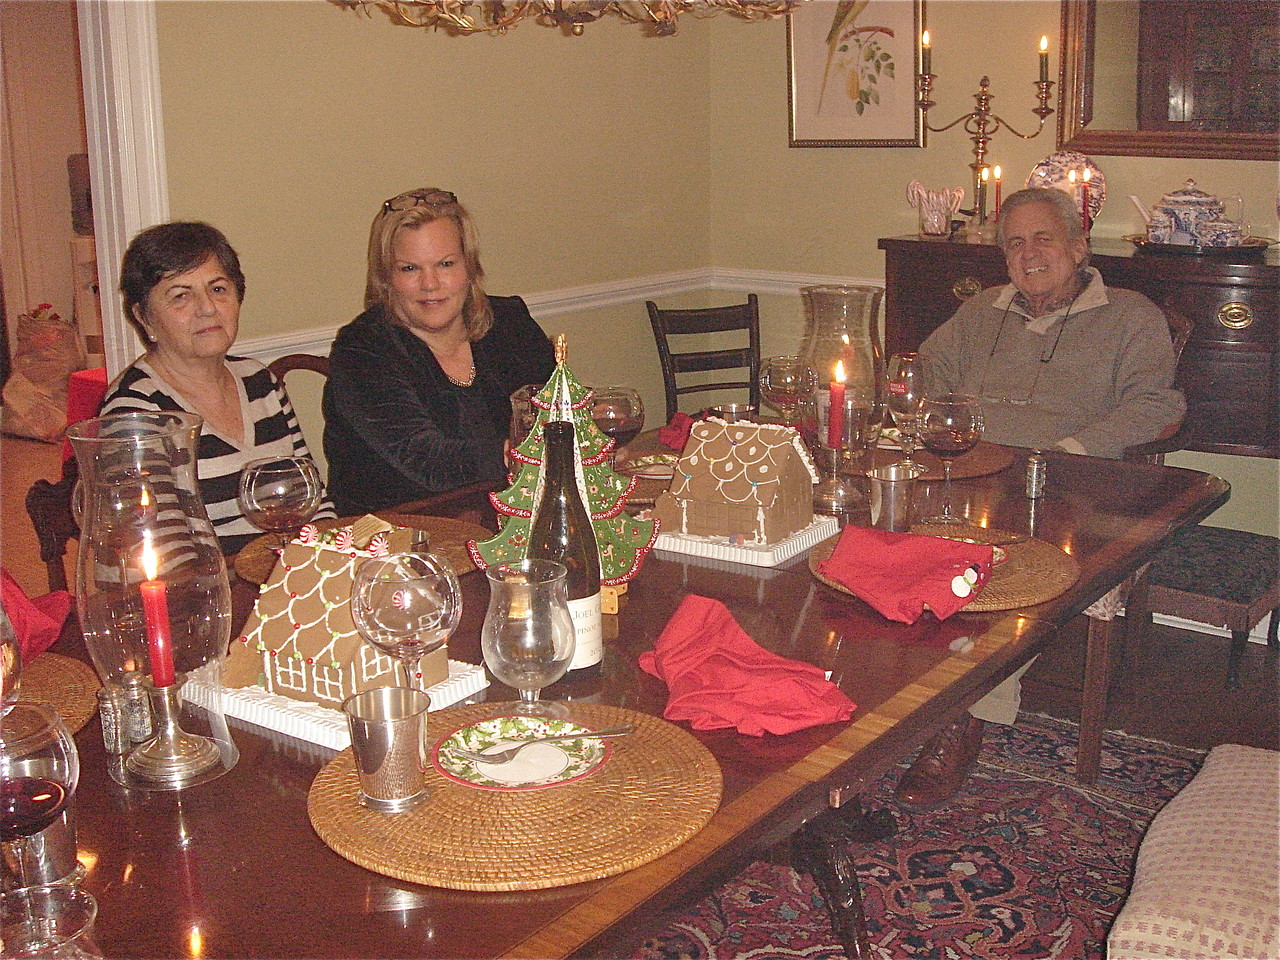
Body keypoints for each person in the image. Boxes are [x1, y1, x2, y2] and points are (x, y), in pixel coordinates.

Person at [899, 187, 1186, 809]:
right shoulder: (982, 311)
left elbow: (1158, 404)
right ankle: (893, 699)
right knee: (876, 539)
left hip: (1068, 486)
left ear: (1078, 247)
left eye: (1043, 239)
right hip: (969, 472)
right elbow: (928, 368)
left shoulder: (1131, 315)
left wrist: (1075, 448)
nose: (1028, 254)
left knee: (1008, 582)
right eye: (1014, 243)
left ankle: (963, 720)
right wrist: (939, 421)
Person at [101, 221, 335, 556]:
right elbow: (163, 553)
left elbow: (314, 502)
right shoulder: (135, 412)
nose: (207, 308)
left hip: (287, 583)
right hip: (206, 595)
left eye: (218, 289)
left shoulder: (260, 382)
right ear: (144, 318)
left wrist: (327, 564)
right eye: (181, 296)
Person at [323, 188, 555, 515]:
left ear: (469, 267)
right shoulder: (362, 349)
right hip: (395, 542)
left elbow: (560, 411)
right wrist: (537, 452)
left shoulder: (509, 321)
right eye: (409, 269)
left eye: (445, 264)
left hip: (517, 517)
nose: (430, 284)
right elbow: (431, 464)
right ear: (386, 277)